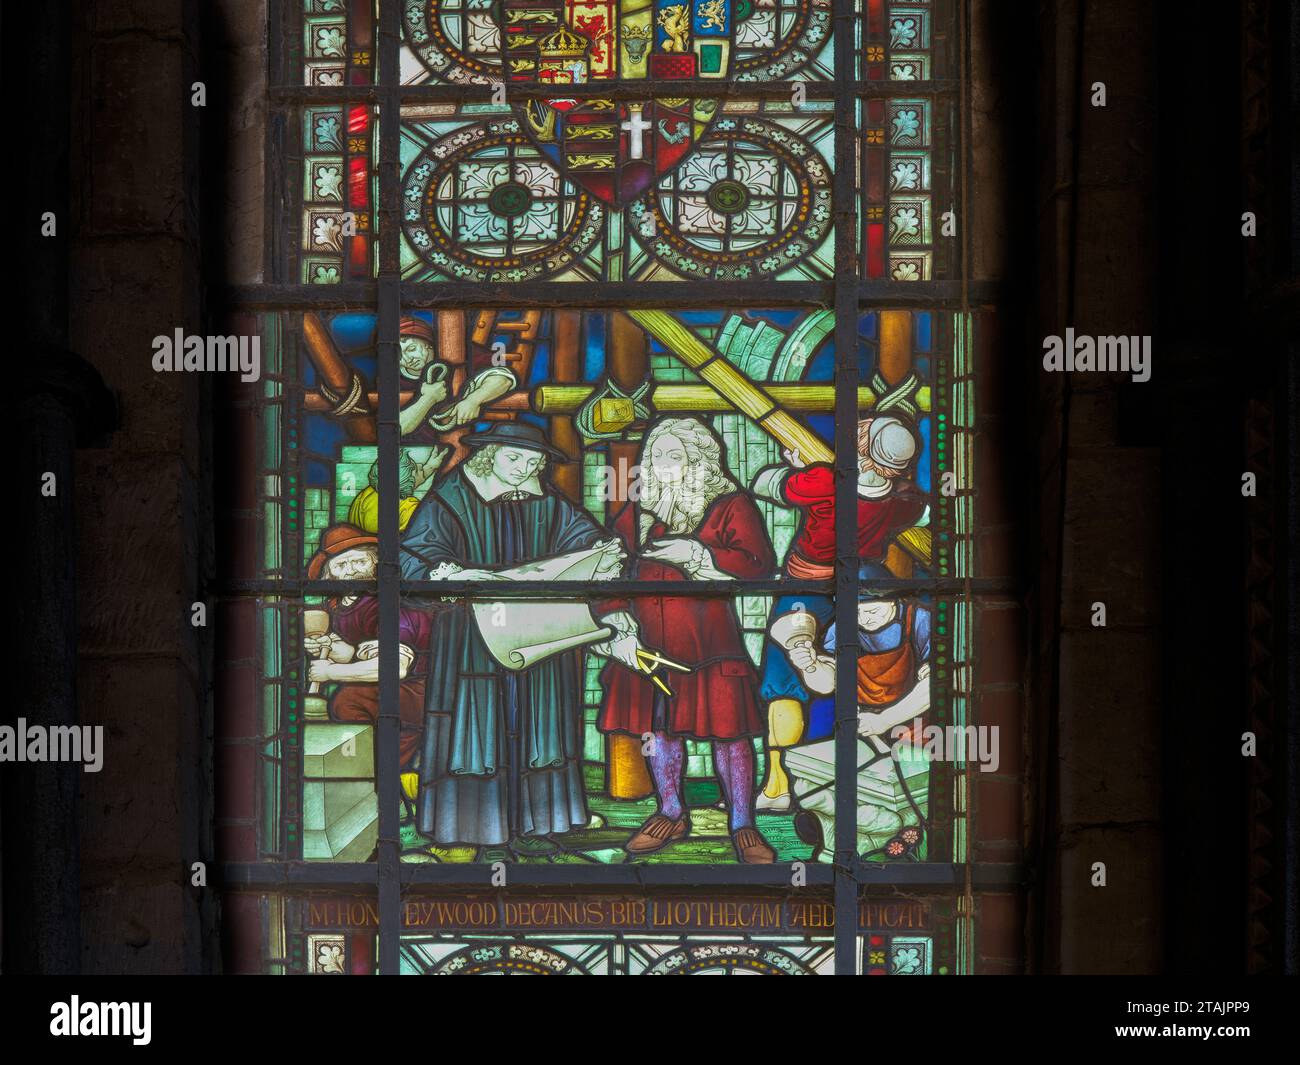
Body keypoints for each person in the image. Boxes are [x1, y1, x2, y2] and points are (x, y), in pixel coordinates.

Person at [398, 422, 621, 858]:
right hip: (468, 639)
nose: (523, 468)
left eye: (533, 461)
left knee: (539, 723)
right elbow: (411, 559)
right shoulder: (449, 499)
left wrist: (602, 553)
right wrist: (457, 574)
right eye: (513, 457)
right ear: (489, 455)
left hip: (538, 636)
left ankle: (538, 823)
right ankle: (475, 828)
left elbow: (588, 541)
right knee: (477, 725)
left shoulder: (549, 503)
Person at [593, 417, 780, 863]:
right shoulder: (639, 512)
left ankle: (742, 822)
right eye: (656, 455)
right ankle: (670, 810)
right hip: (649, 644)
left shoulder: (730, 505)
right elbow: (608, 569)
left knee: (731, 733)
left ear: (699, 459)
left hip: (711, 644)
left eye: (674, 455)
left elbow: (757, 565)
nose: (663, 464)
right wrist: (618, 622)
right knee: (657, 729)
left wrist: (697, 555)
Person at [750, 414, 926, 812]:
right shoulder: (901, 503)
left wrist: (800, 469)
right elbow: (917, 509)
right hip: (862, 599)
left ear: (860, 448)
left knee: (785, 683)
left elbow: (765, 484)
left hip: (804, 592)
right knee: (849, 683)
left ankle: (779, 786)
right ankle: (844, 780)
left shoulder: (827, 482)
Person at [779, 563, 932, 859]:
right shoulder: (844, 627)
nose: (865, 618)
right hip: (866, 731)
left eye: (874, 609)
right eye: (858, 611)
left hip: (918, 731)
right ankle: (862, 836)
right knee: (810, 785)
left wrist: (886, 719)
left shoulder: (920, 622)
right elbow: (827, 684)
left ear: (895, 600)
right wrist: (807, 664)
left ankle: (884, 834)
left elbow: (933, 685)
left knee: (895, 796)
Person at [304, 524, 433, 780]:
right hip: (391, 694)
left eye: (359, 561)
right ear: (330, 576)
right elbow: (364, 648)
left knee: (349, 700)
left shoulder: (390, 604)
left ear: (375, 564)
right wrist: (339, 649)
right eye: (341, 566)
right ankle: (373, 775)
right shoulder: (342, 605)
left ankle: (377, 776)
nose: (351, 571)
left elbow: (395, 666)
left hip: (418, 690)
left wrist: (331, 671)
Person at [397, 316, 517, 442]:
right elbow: (396, 429)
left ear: (428, 343)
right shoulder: (392, 379)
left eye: (411, 349)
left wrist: (472, 401)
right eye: (398, 355)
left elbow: (503, 378)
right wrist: (428, 399)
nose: (407, 359)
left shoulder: (465, 352)